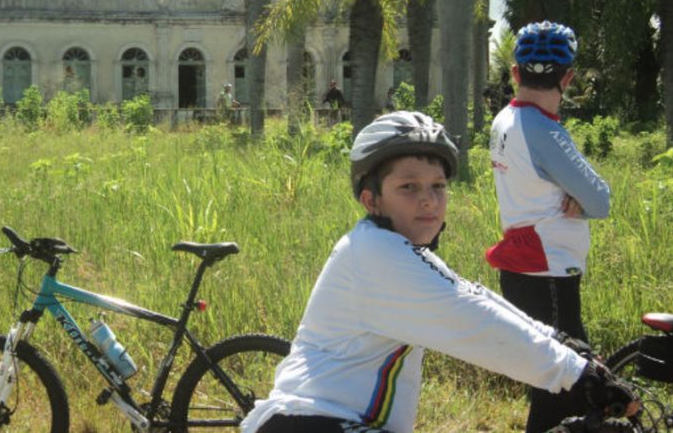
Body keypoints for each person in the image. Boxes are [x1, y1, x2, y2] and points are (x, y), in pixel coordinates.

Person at [241, 111, 633, 433]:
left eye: (438, 186)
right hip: (312, 420)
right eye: (408, 187)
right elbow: (469, 319)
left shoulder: (396, 248)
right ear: (371, 199)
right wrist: (577, 374)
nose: (429, 200)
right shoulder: (375, 254)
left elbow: (472, 295)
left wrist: (563, 343)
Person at [485, 21, 611, 432]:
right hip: (548, 269)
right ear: (568, 78)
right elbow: (600, 200)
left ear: (515, 73)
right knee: (564, 386)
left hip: (524, 267)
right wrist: (582, 200)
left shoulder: (504, 119)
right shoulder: (544, 131)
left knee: (551, 381)